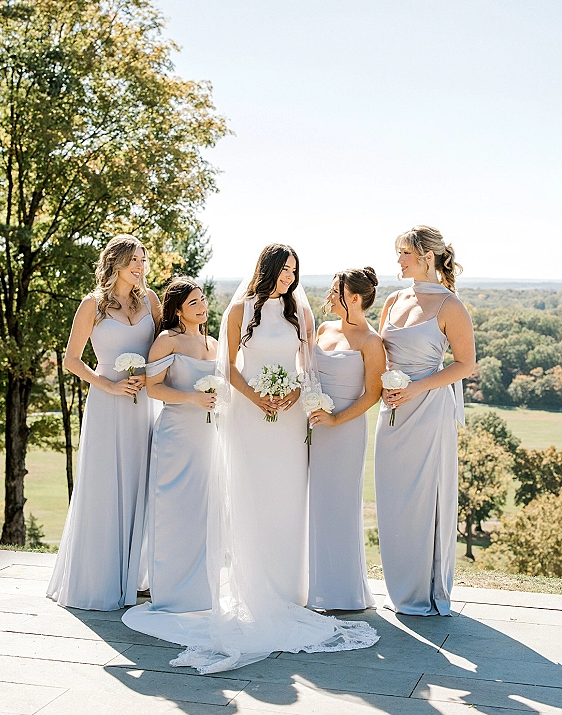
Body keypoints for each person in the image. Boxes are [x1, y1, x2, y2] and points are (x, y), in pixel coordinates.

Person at [123, 243, 379, 672]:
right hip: (248, 412)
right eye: (284, 269)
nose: (289, 278)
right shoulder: (241, 309)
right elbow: (228, 368)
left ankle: (288, 589)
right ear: (268, 268)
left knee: (287, 498)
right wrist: (258, 398)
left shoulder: (301, 310)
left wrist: (294, 394)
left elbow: (307, 364)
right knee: (251, 494)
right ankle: (248, 587)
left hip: (290, 418)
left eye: (295, 270)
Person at [47, 234, 160, 611]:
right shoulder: (91, 305)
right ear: (115, 261)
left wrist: (154, 377)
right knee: (106, 483)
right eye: (134, 259)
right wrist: (108, 384)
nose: (140, 266)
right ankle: (100, 578)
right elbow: (72, 360)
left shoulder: (151, 301)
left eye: (143, 260)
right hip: (107, 404)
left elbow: (165, 347)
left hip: (144, 402)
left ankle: (137, 576)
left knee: (141, 482)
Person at [374, 226, 476, 616]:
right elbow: (381, 353)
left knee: (423, 499)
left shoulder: (451, 306)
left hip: (429, 410)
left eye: (404, 254)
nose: (398, 261)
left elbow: (465, 364)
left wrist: (416, 389)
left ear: (427, 258)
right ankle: (399, 584)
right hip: (393, 410)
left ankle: (425, 590)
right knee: (393, 497)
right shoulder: (393, 300)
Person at [122, 278, 218, 635]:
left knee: (201, 510)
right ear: (177, 309)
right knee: (172, 510)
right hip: (176, 435)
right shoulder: (167, 340)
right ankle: (171, 591)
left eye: (203, 299)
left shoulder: (212, 342)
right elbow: (154, 386)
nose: (201, 306)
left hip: (207, 436)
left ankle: (200, 589)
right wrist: (193, 399)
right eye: (193, 302)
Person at [308, 267, 386, 611]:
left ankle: (343, 593)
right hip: (313, 428)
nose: (328, 296)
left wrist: (336, 418)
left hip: (346, 431)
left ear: (354, 298)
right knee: (313, 504)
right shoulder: (324, 329)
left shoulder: (372, 342)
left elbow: (373, 394)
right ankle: (313, 587)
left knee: (340, 505)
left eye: (334, 290)